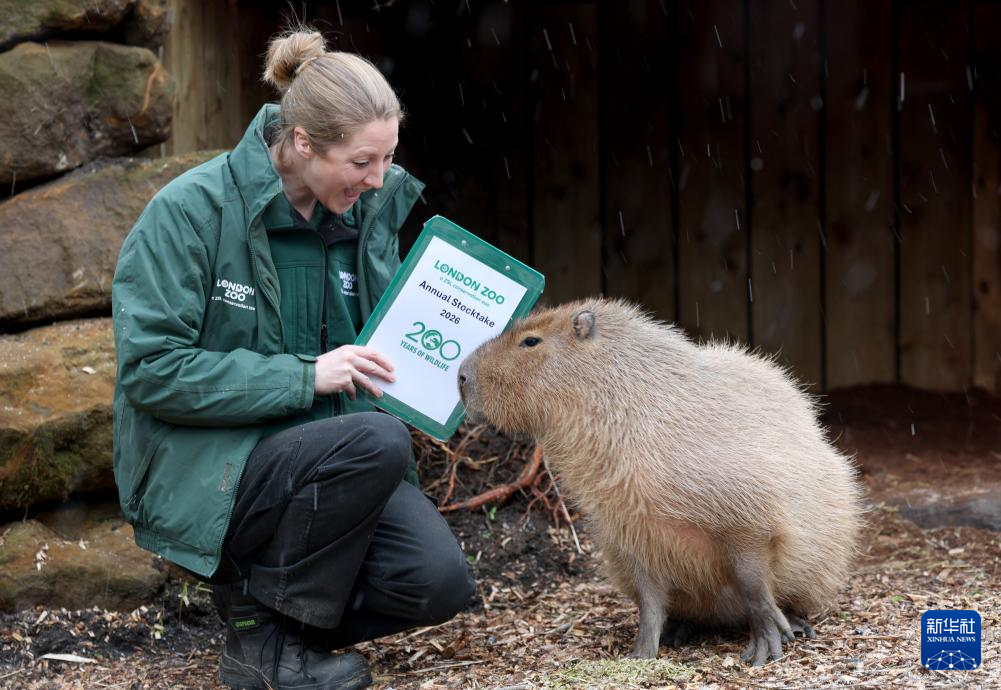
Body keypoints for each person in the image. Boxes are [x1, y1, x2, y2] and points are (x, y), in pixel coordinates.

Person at [111, 27, 475, 690]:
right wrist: (305, 376)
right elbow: (152, 372)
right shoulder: (190, 213)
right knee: (376, 441)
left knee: (435, 582)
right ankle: (261, 637)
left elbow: (385, 354)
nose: (377, 180)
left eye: (387, 158)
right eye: (361, 162)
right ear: (303, 142)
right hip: (212, 467)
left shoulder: (363, 219)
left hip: (332, 467)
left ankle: (274, 634)